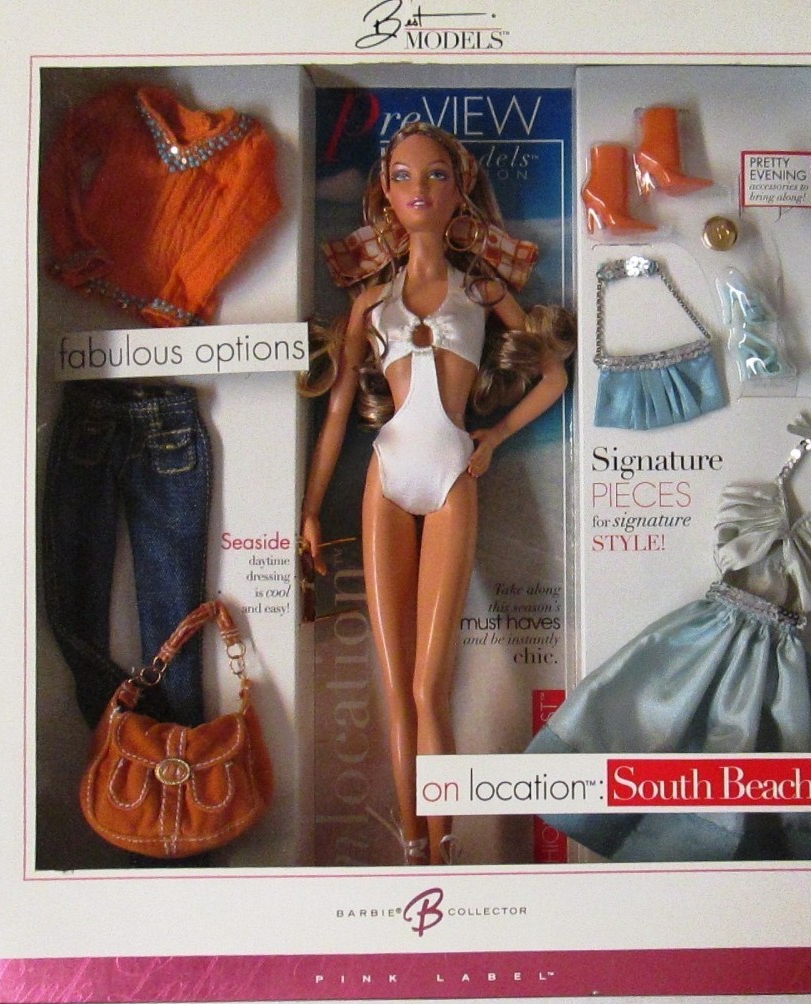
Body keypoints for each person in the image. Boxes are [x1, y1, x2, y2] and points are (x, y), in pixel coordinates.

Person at [300, 122, 575, 865]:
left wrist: (494, 437)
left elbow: (552, 375)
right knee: (396, 688)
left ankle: (445, 847)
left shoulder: (482, 290)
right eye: (402, 177)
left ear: (460, 189)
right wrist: (310, 509)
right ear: (385, 195)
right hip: (387, 476)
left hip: (454, 472)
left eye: (435, 176)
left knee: (430, 686)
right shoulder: (369, 301)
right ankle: (413, 851)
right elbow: (337, 413)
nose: (418, 189)